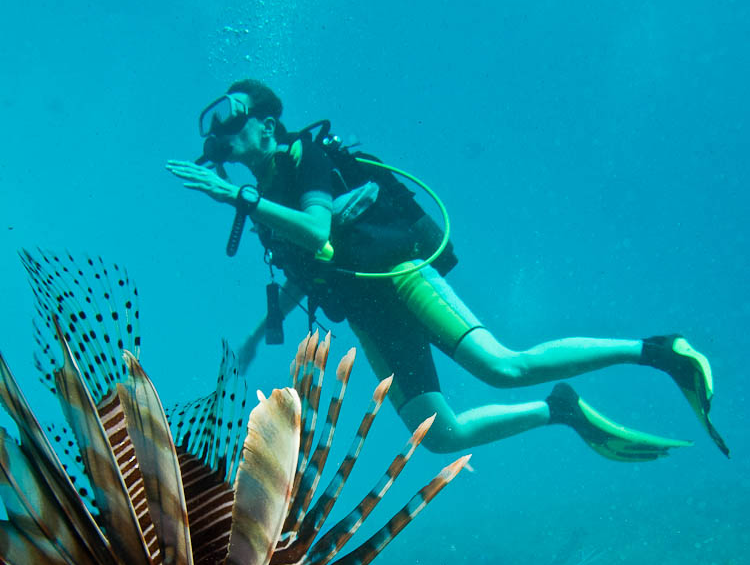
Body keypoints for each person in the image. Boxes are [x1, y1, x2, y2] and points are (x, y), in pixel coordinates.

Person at [167, 80, 728, 461]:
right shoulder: (264, 199)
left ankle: (659, 352)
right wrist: (252, 334)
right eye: (221, 126)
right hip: (368, 314)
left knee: (504, 367)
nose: (225, 129)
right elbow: (311, 266)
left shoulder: (302, 160)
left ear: (268, 124)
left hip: (400, 278)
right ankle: (560, 411)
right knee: (438, 435)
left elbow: (316, 229)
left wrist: (234, 195)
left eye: (236, 115)